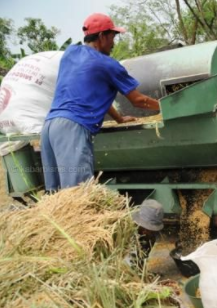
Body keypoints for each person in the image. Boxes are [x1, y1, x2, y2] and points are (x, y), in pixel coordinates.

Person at [41, 13, 161, 191]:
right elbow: (138, 100)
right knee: (78, 194)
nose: (113, 43)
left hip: (50, 127)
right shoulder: (108, 65)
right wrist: (166, 106)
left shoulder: (70, 53)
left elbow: (88, 94)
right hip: (72, 129)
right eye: (112, 37)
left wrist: (119, 118)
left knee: (56, 196)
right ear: (101, 36)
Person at [127, 199, 164, 271]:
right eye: (144, 227)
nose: (145, 232)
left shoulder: (150, 237)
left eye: (150, 229)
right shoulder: (127, 233)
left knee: (150, 239)